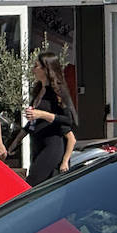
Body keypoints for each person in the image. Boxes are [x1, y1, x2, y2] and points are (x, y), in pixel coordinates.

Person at [23, 50, 76, 184]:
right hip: (37, 143)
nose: (33, 69)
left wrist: (42, 114)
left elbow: (68, 120)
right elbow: (31, 125)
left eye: (36, 66)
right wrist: (11, 146)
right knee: (41, 185)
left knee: (32, 183)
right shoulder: (38, 90)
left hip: (52, 145)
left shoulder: (58, 91)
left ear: (46, 69)